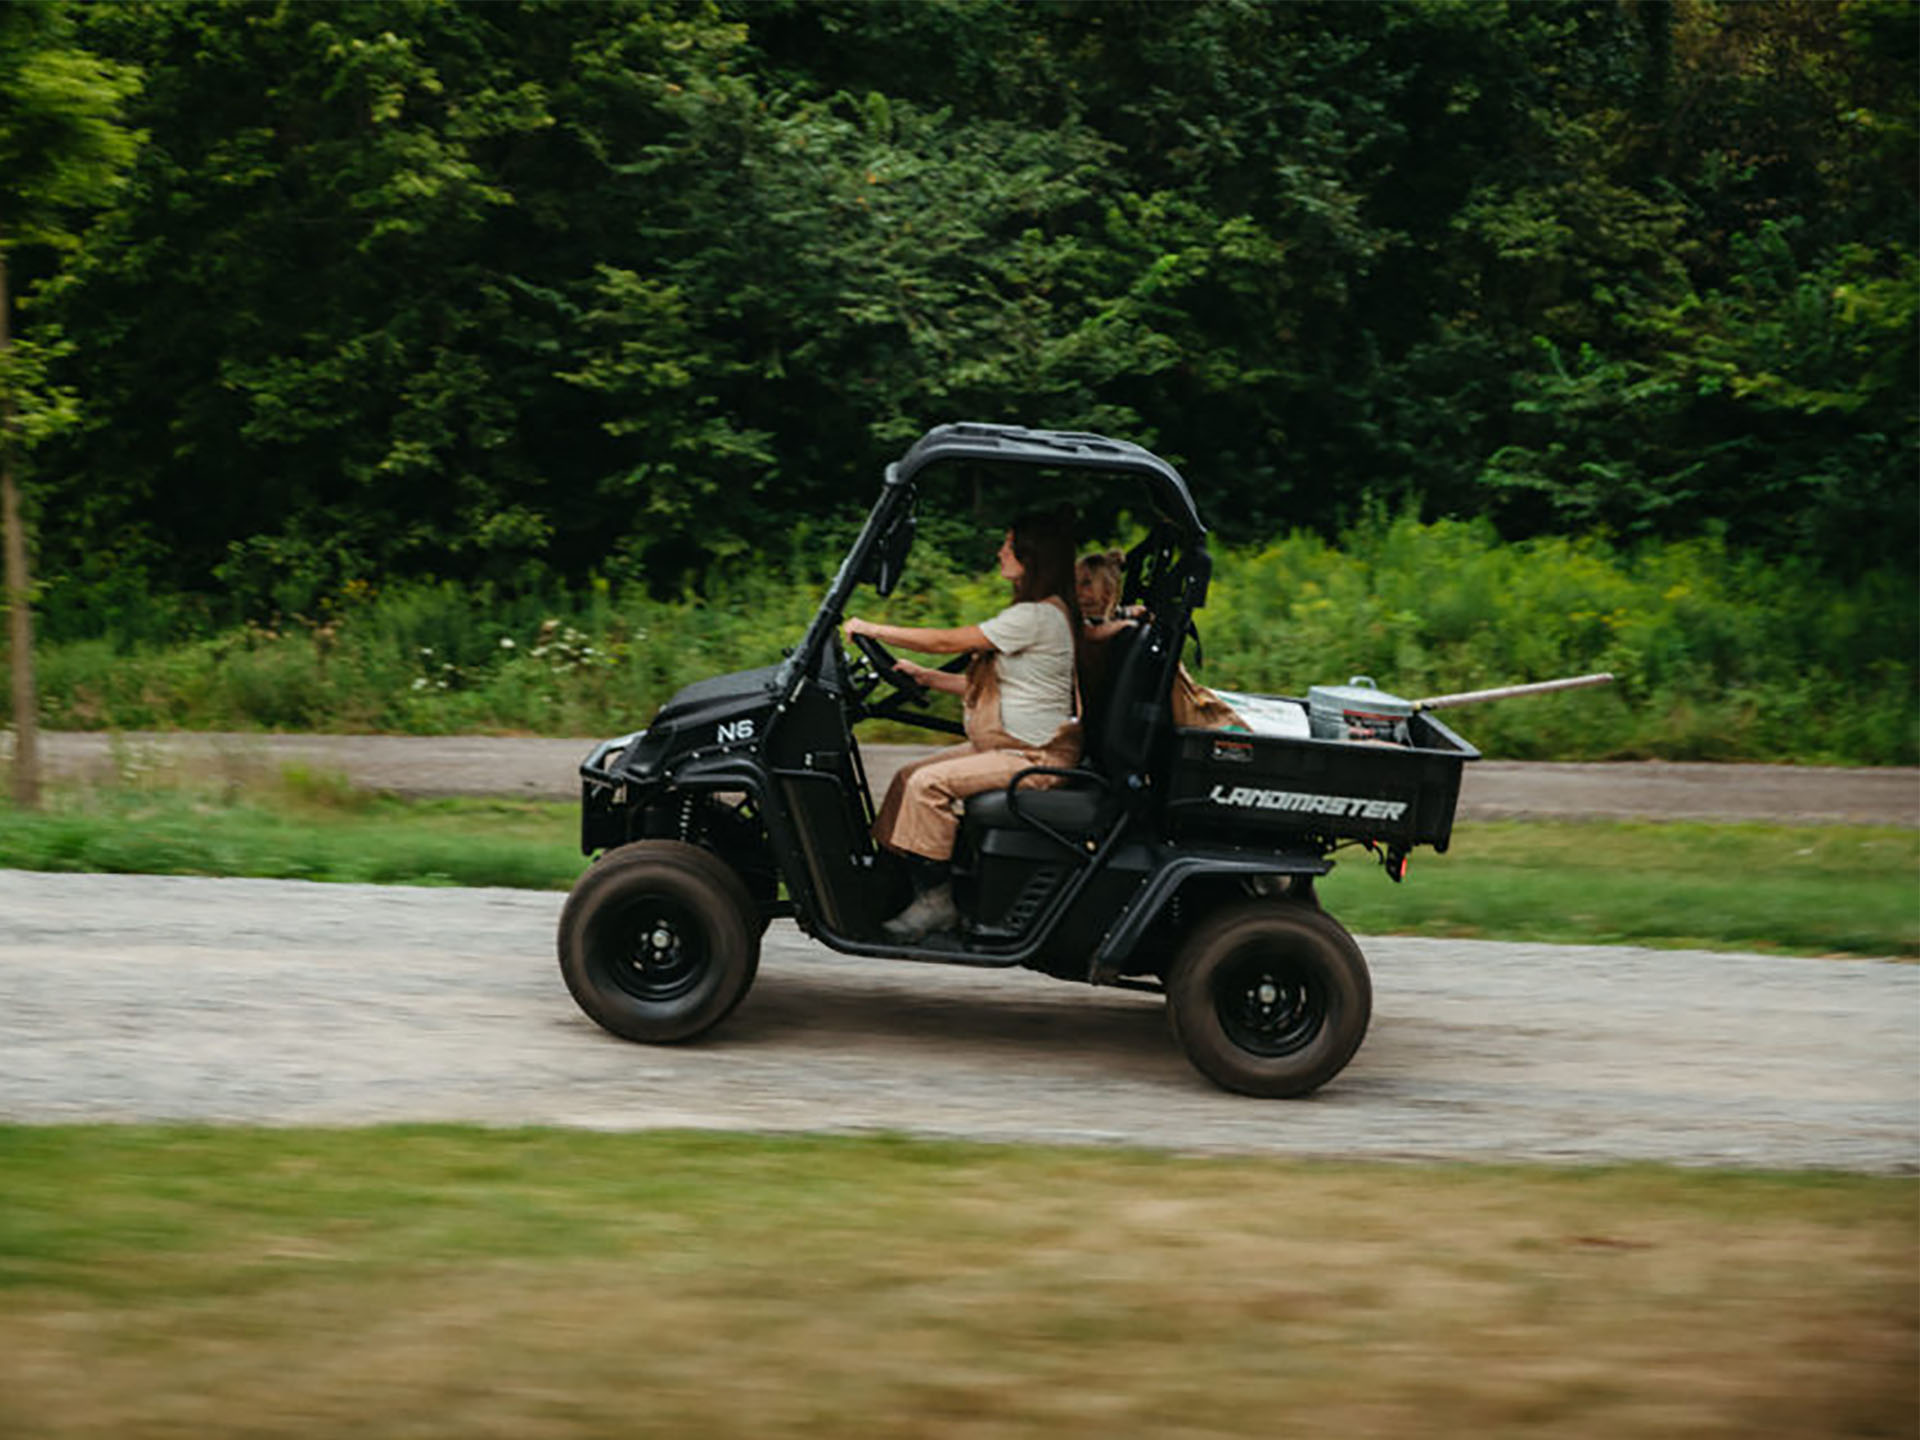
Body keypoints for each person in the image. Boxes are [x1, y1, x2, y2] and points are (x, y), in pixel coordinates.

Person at [844, 508, 1082, 941]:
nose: (999, 552)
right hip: (1007, 747)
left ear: (1032, 555)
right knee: (907, 776)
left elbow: (947, 641)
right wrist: (927, 677)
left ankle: (937, 903)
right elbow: (1004, 690)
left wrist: (871, 627)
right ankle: (891, 888)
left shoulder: (1038, 617)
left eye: (1008, 545)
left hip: (1035, 756)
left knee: (928, 785)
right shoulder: (1037, 614)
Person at [1075, 546, 1246, 733]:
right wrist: (1124, 625)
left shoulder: (1110, 618)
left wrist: (1132, 615)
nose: (1077, 590)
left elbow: (1115, 618)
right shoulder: (1080, 622)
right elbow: (1089, 633)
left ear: (1107, 591)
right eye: (1074, 583)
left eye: (1086, 584)